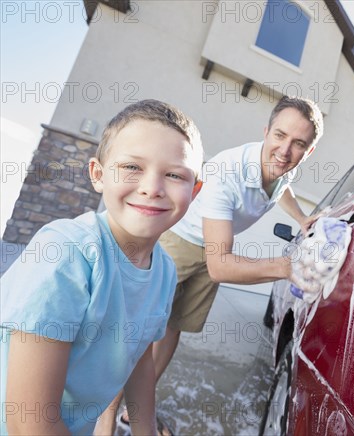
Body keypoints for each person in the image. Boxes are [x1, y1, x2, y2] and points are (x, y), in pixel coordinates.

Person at [106, 95, 324, 430]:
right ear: (266, 131)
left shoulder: (284, 170)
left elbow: (284, 190)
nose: (284, 150)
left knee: (173, 327)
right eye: (279, 136)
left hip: (215, 246)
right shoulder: (228, 172)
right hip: (178, 243)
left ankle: (136, 411)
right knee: (138, 331)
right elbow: (220, 266)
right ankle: (102, 420)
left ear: (308, 151)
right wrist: (285, 267)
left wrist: (303, 218)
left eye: (298, 143)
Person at [0, 99, 204, 435]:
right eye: (132, 167)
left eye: (173, 174)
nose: (151, 188)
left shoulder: (165, 271)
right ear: (98, 175)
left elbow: (138, 358)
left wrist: (145, 430)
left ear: (194, 191)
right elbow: (29, 422)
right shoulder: (66, 252)